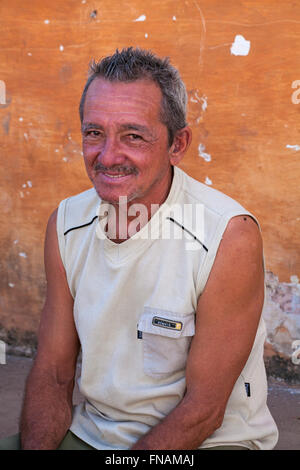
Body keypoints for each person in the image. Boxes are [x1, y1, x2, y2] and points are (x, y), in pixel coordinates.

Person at [0, 47, 278, 450]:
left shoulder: (227, 236)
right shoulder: (66, 224)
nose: (108, 156)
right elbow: (54, 372)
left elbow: (204, 410)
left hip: (211, 442)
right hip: (96, 433)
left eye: (133, 136)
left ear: (177, 145)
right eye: (94, 133)